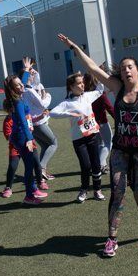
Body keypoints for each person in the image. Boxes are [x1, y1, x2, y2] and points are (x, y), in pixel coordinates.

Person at [57, 33, 138, 257]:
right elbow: (92, 67)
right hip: (120, 150)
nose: (127, 70)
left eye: (130, 67)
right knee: (117, 192)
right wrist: (73, 46)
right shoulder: (116, 87)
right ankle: (112, 238)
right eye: (124, 67)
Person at [50, 71, 106, 203]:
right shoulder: (67, 103)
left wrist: (97, 75)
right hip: (78, 139)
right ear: (71, 87)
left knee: (96, 164)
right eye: (79, 83)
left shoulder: (87, 96)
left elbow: (100, 90)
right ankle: (84, 190)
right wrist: (70, 113)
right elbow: (53, 113)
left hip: (93, 135)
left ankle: (97, 190)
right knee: (86, 166)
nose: (82, 85)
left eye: (83, 82)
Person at [3, 75, 45, 205]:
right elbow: (22, 122)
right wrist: (29, 138)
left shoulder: (18, 97)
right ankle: (29, 196)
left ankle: (33, 189)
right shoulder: (18, 102)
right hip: (22, 137)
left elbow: (21, 83)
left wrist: (26, 72)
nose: (21, 85)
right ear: (12, 89)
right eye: (18, 85)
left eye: (21, 83)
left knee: (31, 163)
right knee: (29, 166)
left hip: (21, 136)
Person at [0, 102, 48, 199]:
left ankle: (40, 182)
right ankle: (8, 188)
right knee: (13, 166)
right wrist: (18, 140)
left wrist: (41, 116)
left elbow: (32, 121)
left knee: (36, 163)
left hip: (30, 144)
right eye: (10, 111)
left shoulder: (25, 115)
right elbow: (9, 137)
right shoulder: (7, 121)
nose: (13, 112)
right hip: (16, 146)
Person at [20, 57, 58, 181]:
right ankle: (41, 168)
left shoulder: (24, 90)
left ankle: (41, 172)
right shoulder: (30, 90)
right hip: (39, 122)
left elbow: (35, 81)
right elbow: (43, 104)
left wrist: (29, 70)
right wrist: (48, 96)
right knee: (53, 143)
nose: (33, 74)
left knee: (46, 146)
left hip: (32, 124)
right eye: (31, 74)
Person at [86, 73, 114, 173]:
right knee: (108, 143)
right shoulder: (100, 94)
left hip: (89, 123)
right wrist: (118, 119)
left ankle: (99, 165)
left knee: (98, 145)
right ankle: (101, 164)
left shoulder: (85, 95)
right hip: (101, 122)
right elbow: (110, 108)